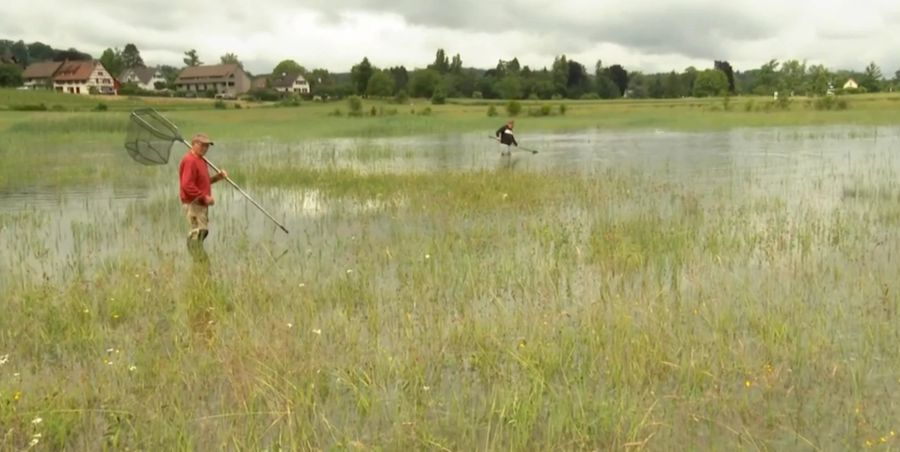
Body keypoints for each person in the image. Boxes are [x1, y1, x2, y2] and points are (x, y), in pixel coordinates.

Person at [179, 133, 227, 254]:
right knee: (198, 233)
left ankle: (200, 262)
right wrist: (204, 197)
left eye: (207, 146)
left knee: (202, 232)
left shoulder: (201, 160)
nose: (205, 148)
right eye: (202, 145)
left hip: (200, 204)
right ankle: (199, 262)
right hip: (193, 204)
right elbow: (187, 185)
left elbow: (202, 183)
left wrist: (217, 177)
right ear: (194, 144)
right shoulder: (190, 160)